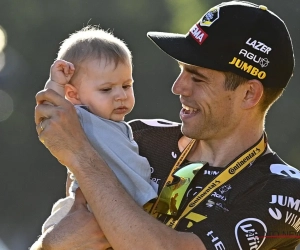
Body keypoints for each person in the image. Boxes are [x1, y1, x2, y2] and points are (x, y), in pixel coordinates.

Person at [32, 1, 300, 249]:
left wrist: (80, 154)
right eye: (181, 70)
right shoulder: (134, 137)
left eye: (197, 78)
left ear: (249, 94)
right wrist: (50, 245)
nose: (178, 87)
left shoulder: (282, 192)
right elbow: (71, 220)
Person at [39, 27, 157, 233]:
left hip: (124, 208)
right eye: (106, 89)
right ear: (74, 95)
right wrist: (56, 82)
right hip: (89, 207)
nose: (120, 95)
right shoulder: (80, 117)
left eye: (126, 85)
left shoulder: (120, 126)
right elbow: (51, 111)